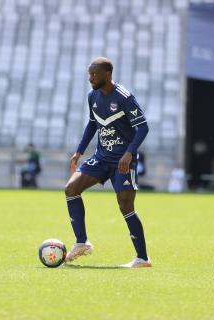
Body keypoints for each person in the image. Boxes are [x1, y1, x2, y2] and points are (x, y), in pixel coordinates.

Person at [64, 57, 151, 267]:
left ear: (107, 74)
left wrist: (129, 153)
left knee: (125, 205)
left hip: (122, 161)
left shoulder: (124, 97)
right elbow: (92, 125)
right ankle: (82, 242)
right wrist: (79, 152)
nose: (90, 78)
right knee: (71, 188)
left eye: (94, 74)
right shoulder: (92, 96)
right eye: (89, 74)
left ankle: (142, 258)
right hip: (102, 158)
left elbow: (143, 127)